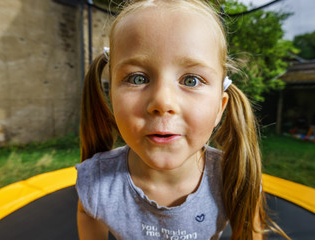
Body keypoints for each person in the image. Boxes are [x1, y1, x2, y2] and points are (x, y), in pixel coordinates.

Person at [76, 0, 290, 239]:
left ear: (219, 109)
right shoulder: (96, 183)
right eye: (137, 78)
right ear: (111, 97)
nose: (163, 102)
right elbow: (87, 213)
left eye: (191, 80)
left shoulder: (234, 177)